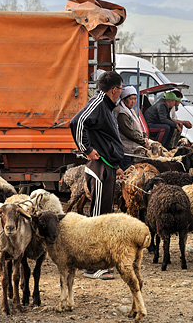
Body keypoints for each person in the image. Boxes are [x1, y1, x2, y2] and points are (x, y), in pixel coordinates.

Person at [70, 71, 124, 280]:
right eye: (119, 89)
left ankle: (99, 262)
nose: (120, 93)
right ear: (113, 89)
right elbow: (77, 122)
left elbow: (105, 137)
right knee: (98, 217)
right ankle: (92, 266)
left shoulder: (107, 107)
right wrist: (86, 149)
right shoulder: (99, 101)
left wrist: (117, 165)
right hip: (99, 166)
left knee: (104, 213)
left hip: (108, 166)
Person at [113, 86, 149, 169]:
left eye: (135, 99)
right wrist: (142, 141)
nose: (133, 102)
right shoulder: (121, 112)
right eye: (131, 99)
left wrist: (145, 137)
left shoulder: (131, 110)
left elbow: (138, 127)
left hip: (134, 149)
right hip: (127, 150)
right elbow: (129, 132)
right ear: (124, 99)